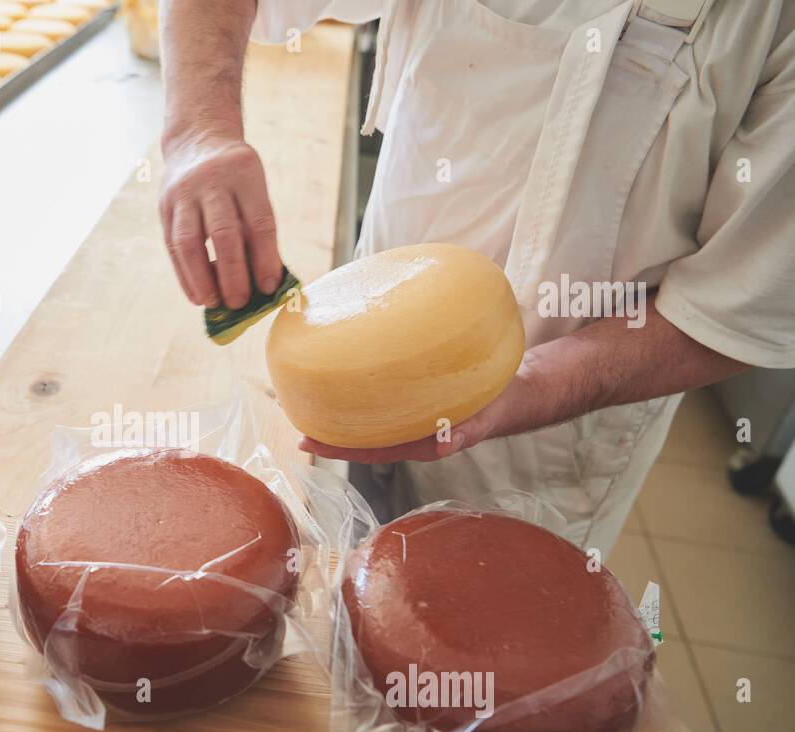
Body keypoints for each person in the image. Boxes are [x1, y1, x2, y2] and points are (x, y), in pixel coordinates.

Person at [158, 0, 795, 556]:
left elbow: (731, 312)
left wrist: (529, 386)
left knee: (473, 659)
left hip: (549, 437)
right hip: (357, 353)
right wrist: (200, 131)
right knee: (338, 595)